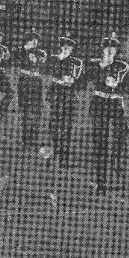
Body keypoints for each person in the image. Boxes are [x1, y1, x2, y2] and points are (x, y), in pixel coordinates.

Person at [86, 32, 129, 195]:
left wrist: (117, 86)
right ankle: (101, 181)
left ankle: (115, 157)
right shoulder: (96, 65)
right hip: (99, 103)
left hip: (115, 103)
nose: (109, 51)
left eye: (113, 49)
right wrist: (102, 72)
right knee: (101, 142)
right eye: (107, 48)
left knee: (122, 132)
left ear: (116, 51)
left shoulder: (122, 67)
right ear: (102, 50)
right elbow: (84, 80)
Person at [46, 34, 83, 168]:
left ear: (72, 49)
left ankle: (64, 158)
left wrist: (73, 81)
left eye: (69, 46)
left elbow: (80, 80)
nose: (66, 48)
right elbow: (47, 72)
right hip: (55, 95)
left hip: (68, 96)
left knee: (66, 127)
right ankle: (55, 151)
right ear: (61, 46)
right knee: (54, 126)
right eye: (64, 45)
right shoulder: (53, 59)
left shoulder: (76, 62)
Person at [13, 30, 47, 148]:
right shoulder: (20, 51)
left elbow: (43, 61)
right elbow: (15, 56)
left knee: (37, 111)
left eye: (36, 40)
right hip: (25, 82)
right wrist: (26, 51)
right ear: (27, 40)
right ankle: (26, 138)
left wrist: (34, 57)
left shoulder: (41, 53)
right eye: (32, 39)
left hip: (36, 82)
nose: (35, 42)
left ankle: (34, 137)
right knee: (25, 111)